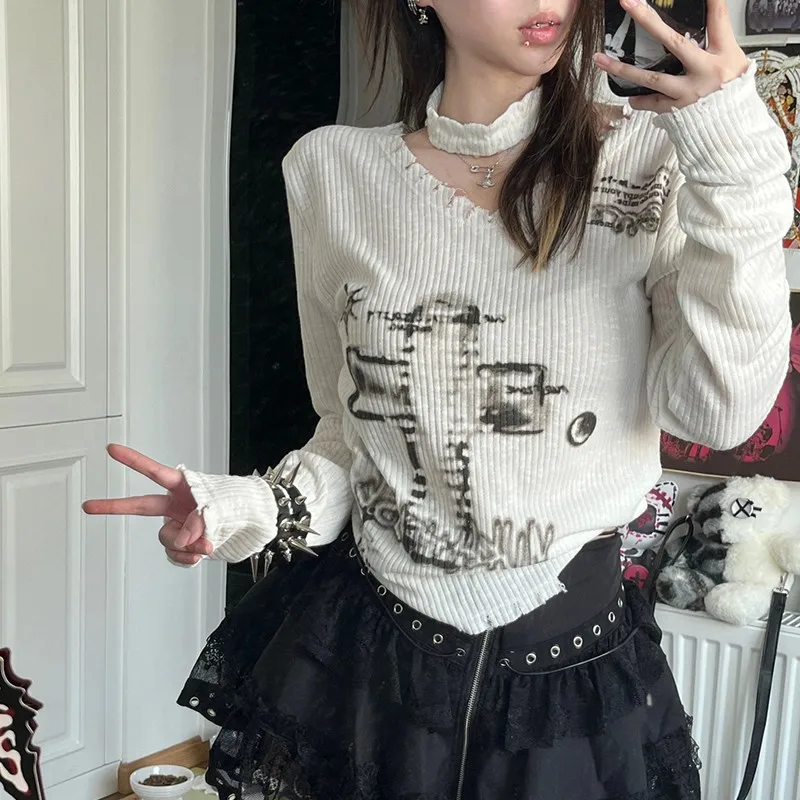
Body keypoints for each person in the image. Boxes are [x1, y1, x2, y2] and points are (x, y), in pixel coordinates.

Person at [83, 0, 793, 796]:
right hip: (372, 670)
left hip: (569, 689)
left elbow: (717, 413)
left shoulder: (649, 159)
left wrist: (735, 165)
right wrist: (258, 504)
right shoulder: (330, 172)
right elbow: (349, 432)